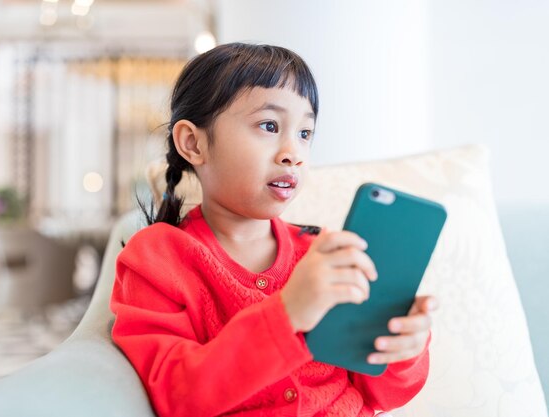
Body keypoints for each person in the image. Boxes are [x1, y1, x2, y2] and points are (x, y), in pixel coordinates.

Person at [110, 42, 436, 417]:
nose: (293, 153)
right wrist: (287, 313)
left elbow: (382, 394)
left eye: (305, 133)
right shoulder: (158, 257)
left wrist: (402, 351)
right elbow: (177, 396)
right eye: (269, 126)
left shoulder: (324, 253)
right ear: (193, 143)